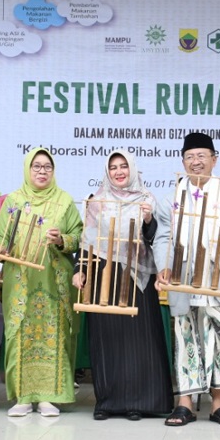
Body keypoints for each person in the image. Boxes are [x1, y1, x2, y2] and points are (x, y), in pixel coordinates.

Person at [154, 132, 220, 427]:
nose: (196, 162)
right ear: (183, 162)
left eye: (202, 156)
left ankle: (219, 405)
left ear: (214, 160)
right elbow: (163, 237)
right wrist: (163, 267)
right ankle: (185, 404)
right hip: (183, 278)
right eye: (190, 157)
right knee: (185, 339)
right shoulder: (171, 198)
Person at [71, 150, 173, 420]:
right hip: (103, 275)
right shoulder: (97, 202)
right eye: (113, 167)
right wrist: (80, 269)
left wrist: (149, 220)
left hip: (137, 276)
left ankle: (139, 402)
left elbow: (157, 239)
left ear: (133, 169)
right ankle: (107, 402)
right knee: (107, 341)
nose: (118, 171)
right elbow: (87, 241)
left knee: (139, 342)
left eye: (123, 166)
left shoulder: (147, 199)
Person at [0, 148, 82, 417]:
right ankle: (22, 397)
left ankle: (49, 397)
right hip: (21, 281)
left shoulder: (65, 201)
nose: (42, 171)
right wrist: (0, 249)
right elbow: (0, 237)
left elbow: (79, 236)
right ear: (27, 169)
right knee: (20, 332)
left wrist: (61, 239)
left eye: (47, 167)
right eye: (37, 166)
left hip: (55, 281)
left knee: (54, 333)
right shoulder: (13, 201)